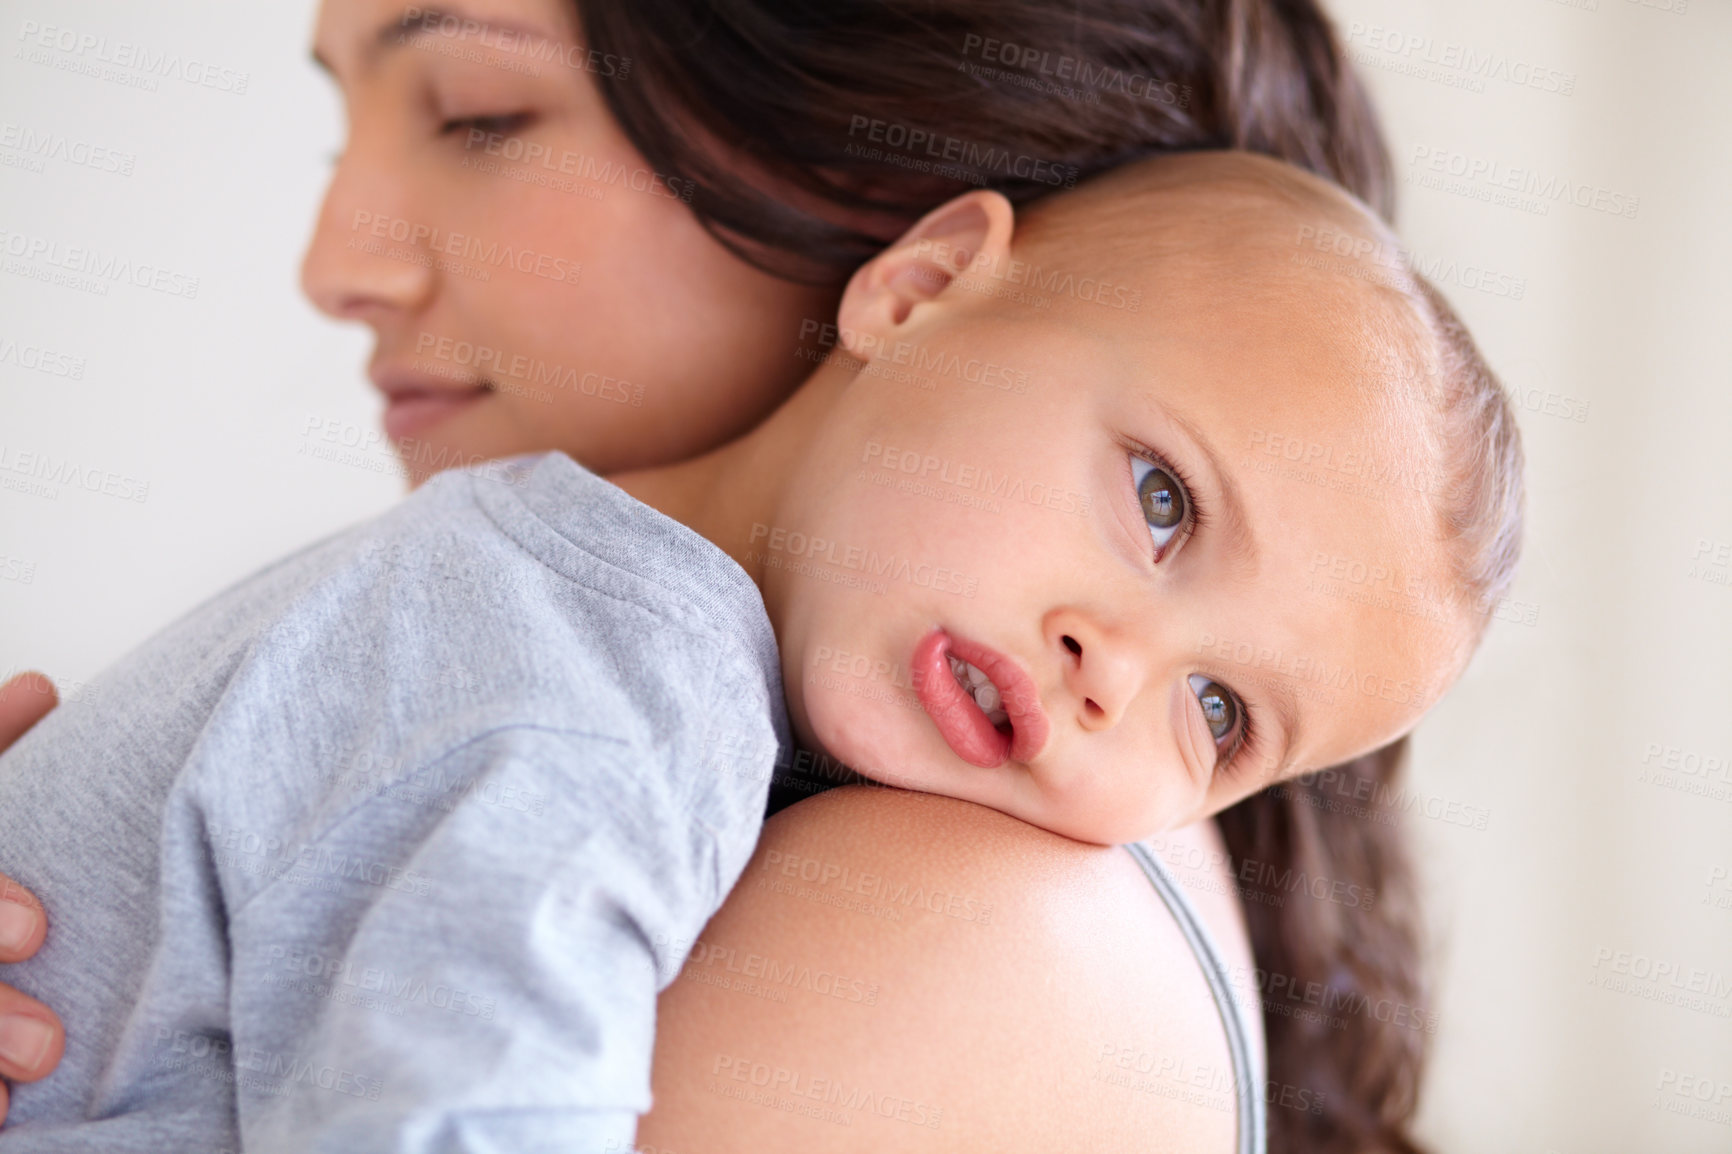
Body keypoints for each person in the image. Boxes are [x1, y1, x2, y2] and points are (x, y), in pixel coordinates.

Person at [0, 2, 1496, 1150]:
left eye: (478, 112)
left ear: (887, 199)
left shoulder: (938, 891)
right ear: (916, 287)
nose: (336, 262)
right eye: (1158, 502)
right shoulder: (577, 656)